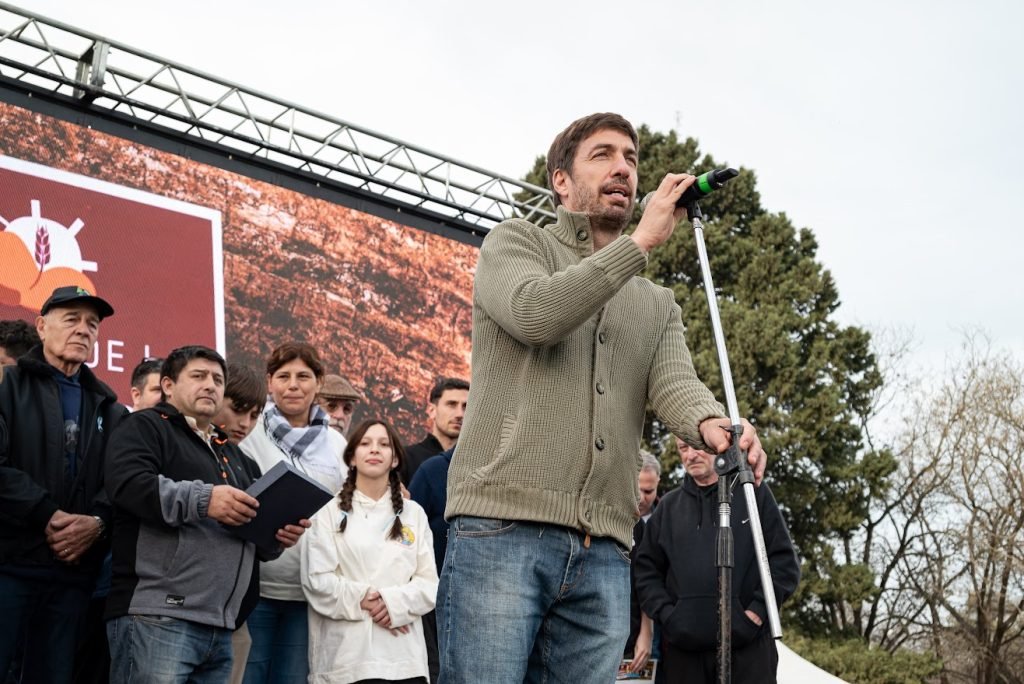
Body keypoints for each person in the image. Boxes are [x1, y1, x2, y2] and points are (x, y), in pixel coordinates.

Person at [439, 112, 766, 683]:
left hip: (605, 550)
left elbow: (675, 383)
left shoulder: (655, 301)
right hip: (501, 531)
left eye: (632, 159)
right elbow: (536, 314)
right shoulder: (516, 243)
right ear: (561, 179)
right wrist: (640, 242)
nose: (623, 168)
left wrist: (714, 423)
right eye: (603, 154)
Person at [104, 345, 308, 682]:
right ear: (168, 385)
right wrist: (206, 499)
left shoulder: (239, 458)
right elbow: (128, 486)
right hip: (159, 616)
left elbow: (251, 539)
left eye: (217, 379)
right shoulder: (144, 427)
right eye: (198, 376)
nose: (210, 385)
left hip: (221, 625)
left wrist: (276, 538)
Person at [0, 286, 125, 684]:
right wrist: (47, 514)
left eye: (92, 324)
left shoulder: (111, 407)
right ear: (41, 326)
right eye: (71, 319)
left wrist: (97, 523)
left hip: (73, 575)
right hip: (9, 565)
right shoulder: (6, 385)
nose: (83, 330)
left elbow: (120, 483)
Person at [634, 441, 799, 683]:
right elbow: (646, 572)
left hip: (749, 652)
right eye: (683, 448)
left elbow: (784, 564)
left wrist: (757, 612)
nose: (690, 455)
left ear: (718, 446)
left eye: (697, 447)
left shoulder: (753, 495)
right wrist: (669, 616)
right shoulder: (668, 508)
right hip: (685, 656)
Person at [240, 342, 346, 684]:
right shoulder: (250, 433)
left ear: (319, 382)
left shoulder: (338, 444)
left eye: (304, 376)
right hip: (256, 587)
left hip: (309, 591)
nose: (293, 384)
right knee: (248, 676)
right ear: (269, 383)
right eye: (283, 376)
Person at [302, 419, 437, 684]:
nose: (374, 450)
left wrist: (393, 603)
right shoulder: (328, 512)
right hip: (346, 659)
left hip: (404, 660)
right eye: (365, 444)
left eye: (384, 445)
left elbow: (429, 583)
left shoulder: (414, 514)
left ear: (395, 459)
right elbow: (317, 580)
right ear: (351, 457)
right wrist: (365, 598)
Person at [212, 363, 269, 684]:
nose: (245, 424)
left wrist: (278, 536)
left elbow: (262, 547)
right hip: (182, 613)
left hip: (236, 616)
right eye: (238, 410)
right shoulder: (187, 448)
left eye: (255, 415)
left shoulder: (249, 465)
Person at [624, 451, 662, 675]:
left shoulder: (666, 519)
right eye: (637, 488)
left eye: (648, 491)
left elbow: (652, 579)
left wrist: (647, 630)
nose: (641, 498)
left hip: (651, 625)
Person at [401, 377, 468, 485]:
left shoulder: (477, 463)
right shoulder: (405, 458)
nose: (459, 414)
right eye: (451, 404)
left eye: (466, 407)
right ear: (432, 410)